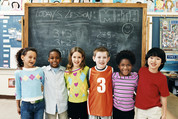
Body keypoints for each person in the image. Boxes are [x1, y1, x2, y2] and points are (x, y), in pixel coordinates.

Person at [135, 47, 170, 119]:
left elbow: (164, 97)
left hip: (154, 109)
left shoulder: (162, 78)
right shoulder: (141, 70)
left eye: (158, 59)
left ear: (162, 62)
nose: (154, 61)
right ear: (147, 59)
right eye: (151, 58)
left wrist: (164, 113)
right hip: (140, 108)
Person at [15, 47, 45, 119]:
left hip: (39, 104)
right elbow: (18, 90)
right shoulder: (18, 73)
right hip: (26, 104)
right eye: (30, 57)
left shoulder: (40, 71)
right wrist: (18, 106)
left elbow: (45, 85)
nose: (32, 60)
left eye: (34, 58)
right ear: (23, 57)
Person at [88, 46, 113, 119]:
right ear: (94, 58)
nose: (101, 60)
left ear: (108, 59)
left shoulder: (111, 70)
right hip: (93, 105)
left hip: (106, 107)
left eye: (104, 57)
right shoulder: (90, 71)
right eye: (99, 57)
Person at [64, 47, 89, 119]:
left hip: (84, 101)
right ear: (71, 57)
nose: (76, 60)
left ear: (83, 58)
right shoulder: (67, 72)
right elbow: (66, 86)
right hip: (72, 101)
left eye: (79, 57)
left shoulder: (86, 69)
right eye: (74, 57)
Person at [112, 50, 138, 119]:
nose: (125, 68)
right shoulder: (114, 76)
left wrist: (134, 96)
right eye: (122, 65)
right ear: (118, 66)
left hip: (130, 110)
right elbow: (110, 90)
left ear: (132, 65)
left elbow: (138, 91)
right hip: (117, 109)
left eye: (128, 65)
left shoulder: (135, 77)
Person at [42, 49, 68, 119]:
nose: (54, 60)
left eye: (57, 58)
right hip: (49, 105)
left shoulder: (65, 71)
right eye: (52, 58)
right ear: (48, 59)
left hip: (63, 105)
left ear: (60, 59)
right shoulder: (44, 71)